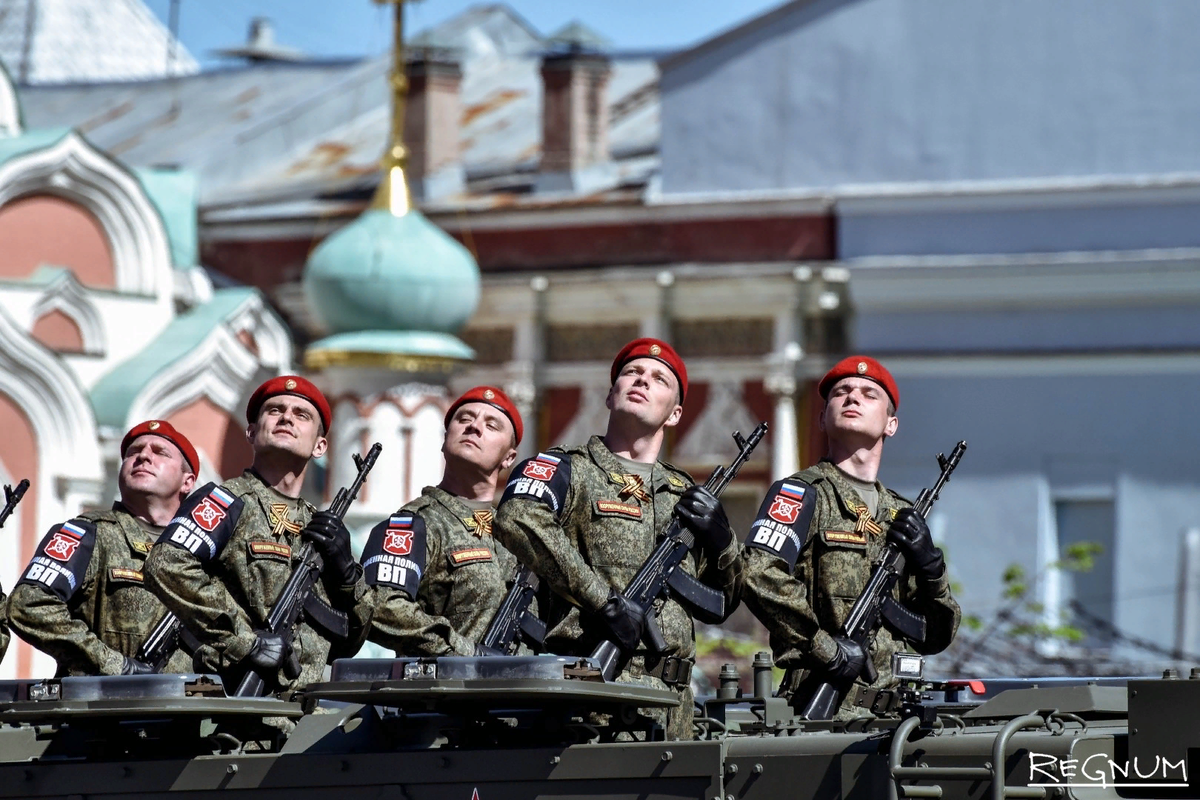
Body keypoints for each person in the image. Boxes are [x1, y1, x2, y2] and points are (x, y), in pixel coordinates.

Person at [495, 338, 740, 740]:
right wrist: (603, 602)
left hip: (673, 709)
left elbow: (721, 602)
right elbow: (518, 516)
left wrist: (722, 541)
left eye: (659, 379)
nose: (642, 380)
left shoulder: (685, 493)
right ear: (610, 395)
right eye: (632, 373)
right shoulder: (564, 467)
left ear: (675, 413)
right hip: (592, 699)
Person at [741, 356, 960, 720]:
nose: (852, 397)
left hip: (897, 716)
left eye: (869, 394)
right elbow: (760, 574)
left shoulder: (901, 514)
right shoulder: (800, 493)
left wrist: (931, 568)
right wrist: (826, 649)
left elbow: (936, 634)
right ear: (822, 418)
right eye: (841, 393)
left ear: (891, 424)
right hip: (826, 710)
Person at [144, 376, 370, 693]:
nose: (286, 417)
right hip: (233, 702)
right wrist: (246, 643)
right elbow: (166, 564)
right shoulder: (225, 502)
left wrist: (347, 572)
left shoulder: (323, 527)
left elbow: (352, 638)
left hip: (304, 716)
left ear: (320, 446)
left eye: (301, 415)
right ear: (251, 432)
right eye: (274, 410)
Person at [7, 421, 198, 676]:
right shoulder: (89, 534)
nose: (143, 456)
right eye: (133, 452)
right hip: (105, 709)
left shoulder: (203, 556)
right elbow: (28, 605)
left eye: (160, 452)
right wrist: (112, 664)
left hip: (190, 710)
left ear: (188, 482)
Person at [361, 386, 526, 656]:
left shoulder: (516, 535)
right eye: (464, 419)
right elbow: (381, 606)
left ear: (509, 457)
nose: (474, 426)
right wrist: (467, 653)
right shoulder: (415, 523)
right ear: (444, 439)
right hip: (442, 693)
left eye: (491, 425)